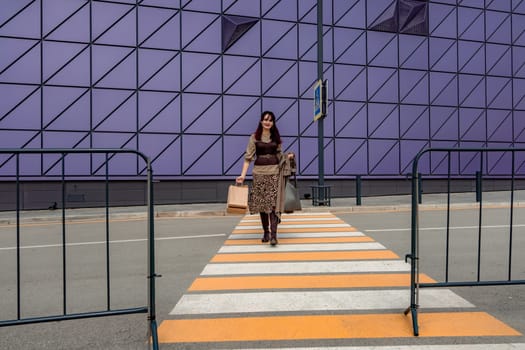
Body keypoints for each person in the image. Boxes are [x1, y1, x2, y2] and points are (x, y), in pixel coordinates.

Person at [236, 111, 294, 246]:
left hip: (274, 173)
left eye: (270, 120)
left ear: (273, 123)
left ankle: (274, 236)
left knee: (273, 205)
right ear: (261, 121)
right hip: (259, 174)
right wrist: (242, 176)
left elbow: (280, 156)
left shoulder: (276, 138)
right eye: (265, 119)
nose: (267, 122)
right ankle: (266, 232)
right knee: (263, 205)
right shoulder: (254, 137)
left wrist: (288, 157)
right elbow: (248, 158)